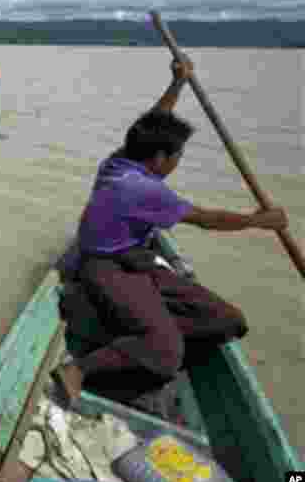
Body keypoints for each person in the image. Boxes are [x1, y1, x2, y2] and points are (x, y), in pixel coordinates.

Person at [51, 54, 289, 409]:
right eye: (177, 156)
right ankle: (79, 369)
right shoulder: (144, 189)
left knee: (228, 321)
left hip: (137, 260)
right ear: (160, 158)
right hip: (105, 266)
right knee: (164, 354)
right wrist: (258, 221)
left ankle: (141, 341)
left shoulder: (119, 161)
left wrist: (177, 83)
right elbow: (207, 219)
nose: (178, 162)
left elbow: (150, 125)